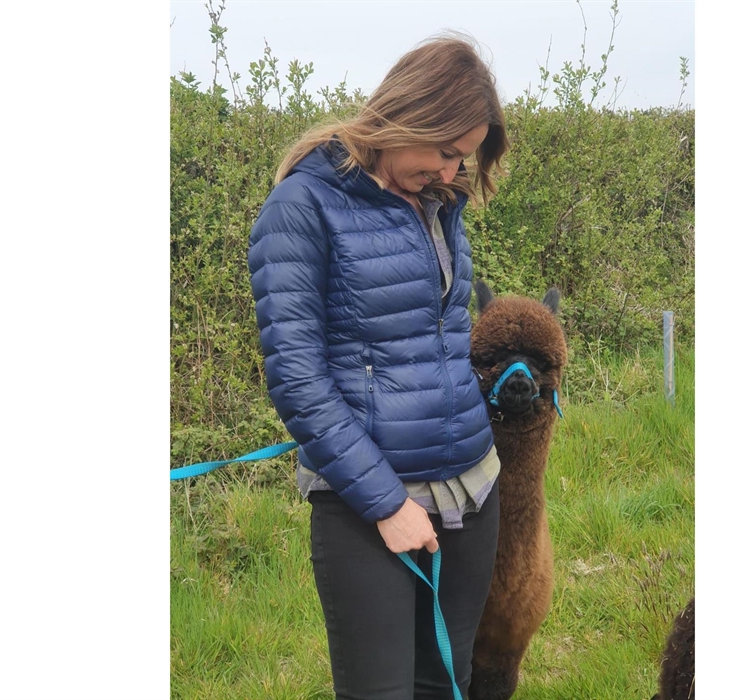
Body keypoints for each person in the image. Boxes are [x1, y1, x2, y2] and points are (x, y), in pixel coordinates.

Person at [248, 34, 509, 700]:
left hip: (472, 492)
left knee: (445, 681)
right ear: (409, 116)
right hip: (369, 508)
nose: (452, 174)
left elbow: (440, 338)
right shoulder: (301, 209)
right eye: (445, 152)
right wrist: (386, 503)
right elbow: (297, 376)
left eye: (464, 159)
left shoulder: (435, 205)